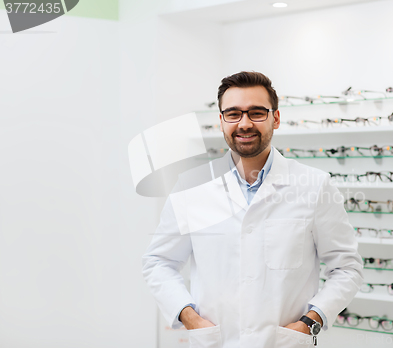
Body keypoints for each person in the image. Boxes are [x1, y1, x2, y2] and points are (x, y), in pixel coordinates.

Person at [142, 71, 363, 348]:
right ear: (221, 121)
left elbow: (347, 268)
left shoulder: (315, 185)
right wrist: (190, 318)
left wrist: (310, 322)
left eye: (257, 113)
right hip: (215, 342)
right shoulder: (192, 186)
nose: (244, 123)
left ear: (276, 118)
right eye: (233, 113)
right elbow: (158, 262)